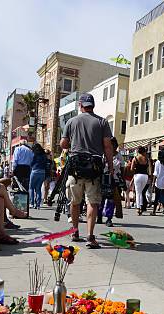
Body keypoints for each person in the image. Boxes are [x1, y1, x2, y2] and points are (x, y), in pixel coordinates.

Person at [60, 93, 114, 249]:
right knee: (93, 202)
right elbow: (108, 146)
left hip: (75, 168)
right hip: (94, 168)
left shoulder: (71, 121)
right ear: (93, 105)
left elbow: (63, 144)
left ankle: (75, 232)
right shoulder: (102, 122)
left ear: (80, 105)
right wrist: (110, 166)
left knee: (75, 202)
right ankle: (90, 237)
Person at [98, 137, 124, 226]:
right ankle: (99, 216)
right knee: (101, 199)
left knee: (111, 200)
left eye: (111, 145)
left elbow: (122, 168)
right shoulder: (103, 155)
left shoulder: (119, 156)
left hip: (114, 180)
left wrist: (122, 181)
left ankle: (109, 218)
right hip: (103, 179)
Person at [131, 146, 150, 216]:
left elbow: (131, 169)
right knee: (141, 192)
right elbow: (148, 168)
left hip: (137, 175)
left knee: (138, 192)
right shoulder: (146, 159)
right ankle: (141, 206)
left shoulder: (135, 158)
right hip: (145, 176)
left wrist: (135, 169)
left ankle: (138, 208)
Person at [29, 143, 47, 209]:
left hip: (35, 171)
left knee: (31, 187)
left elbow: (32, 163)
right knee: (38, 188)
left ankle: (32, 203)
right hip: (43, 172)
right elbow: (46, 163)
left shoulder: (35, 154)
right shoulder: (44, 155)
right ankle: (38, 204)